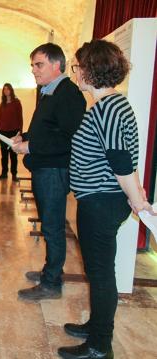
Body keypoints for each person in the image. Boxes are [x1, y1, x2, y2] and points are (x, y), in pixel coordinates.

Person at [57, 40, 156, 359]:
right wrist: (136, 191)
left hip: (100, 202)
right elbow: (125, 157)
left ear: (91, 70)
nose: (76, 73)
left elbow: (120, 162)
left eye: (78, 67)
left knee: (100, 273)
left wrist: (137, 199)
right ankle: (96, 326)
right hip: (101, 198)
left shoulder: (109, 107)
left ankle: (100, 344)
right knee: (98, 270)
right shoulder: (110, 106)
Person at [12, 43, 86, 301]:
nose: (33, 70)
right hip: (45, 167)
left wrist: (30, 145)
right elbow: (48, 129)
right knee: (49, 225)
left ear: (57, 65)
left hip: (55, 170)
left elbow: (69, 139)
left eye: (39, 64)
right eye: (32, 65)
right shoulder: (50, 91)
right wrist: (27, 136)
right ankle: (49, 271)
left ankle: (52, 282)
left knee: (53, 227)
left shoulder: (68, 94)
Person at [0, 84, 23, 181]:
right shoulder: (2, 103)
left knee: (13, 154)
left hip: (13, 131)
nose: (6, 91)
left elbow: (20, 117)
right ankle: (4, 173)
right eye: (4, 89)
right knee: (4, 155)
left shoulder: (16, 102)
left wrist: (20, 131)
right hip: (2, 131)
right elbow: (0, 117)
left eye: (7, 89)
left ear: (11, 90)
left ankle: (14, 174)